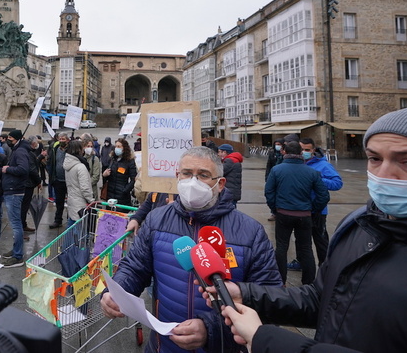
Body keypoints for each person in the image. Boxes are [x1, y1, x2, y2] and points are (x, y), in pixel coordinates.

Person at [206, 106, 407, 352]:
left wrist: (265, 340)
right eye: (374, 158)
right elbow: (325, 299)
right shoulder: (359, 225)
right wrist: (246, 294)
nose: (384, 174)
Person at [101, 146, 282, 353]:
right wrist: (116, 292)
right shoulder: (156, 219)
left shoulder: (251, 233)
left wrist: (210, 330)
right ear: (178, 176)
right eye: (187, 174)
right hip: (164, 346)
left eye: (203, 175)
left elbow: (269, 301)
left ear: (220, 184)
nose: (192, 182)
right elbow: (135, 266)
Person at [264, 140, 329, 285]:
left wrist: (275, 208)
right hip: (304, 215)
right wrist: (313, 209)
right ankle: (308, 282)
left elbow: (269, 192)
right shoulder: (312, 172)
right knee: (306, 248)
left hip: (283, 213)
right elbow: (324, 195)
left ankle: (281, 280)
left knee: (281, 247)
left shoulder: (277, 170)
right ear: (301, 153)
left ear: (284, 152)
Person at [288, 137, 343, 271]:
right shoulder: (295, 163)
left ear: (313, 150)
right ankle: (300, 261)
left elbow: (337, 183)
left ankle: (325, 266)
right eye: (301, 149)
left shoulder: (323, 165)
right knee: (300, 239)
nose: (304, 152)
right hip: (300, 208)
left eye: (307, 150)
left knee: (320, 240)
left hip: (317, 210)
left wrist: (317, 179)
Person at [0, 129, 31, 268]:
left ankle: (18, 256)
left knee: (16, 224)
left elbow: (24, 169)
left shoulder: (20, 152)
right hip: (12, 190)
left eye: (10, 139)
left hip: (14, 191)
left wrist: (8, 169)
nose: (8, 141)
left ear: (17, 139)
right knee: (16, 224)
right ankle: (16, 250)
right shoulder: (18, 150)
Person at [64, 140, 94, 228]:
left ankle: (67, 242)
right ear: (79, 150)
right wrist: (91, 200)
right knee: (80, 229)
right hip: (80, 203)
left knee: (71, 225)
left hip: (72, 199)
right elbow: (85, 188)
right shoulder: (80, 167)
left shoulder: (67, 164)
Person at [101, 138, 137, 207]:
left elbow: (134, 179)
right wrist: (105, 175)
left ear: (124, 148)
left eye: (119, 146)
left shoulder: (129, 161)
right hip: (110, 195)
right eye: (116, 146)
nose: (116, 148)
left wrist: (125, 190)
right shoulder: (112, 159)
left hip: (122, 197)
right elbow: (108, 176)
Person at [47, 132, 70, 229]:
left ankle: (70, 220)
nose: (61, 141)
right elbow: (50, 162)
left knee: (71, 202)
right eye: (60, 139)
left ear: (67, 140)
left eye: (63, 139)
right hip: (58, 180)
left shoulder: (70, 150)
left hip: (69, 181)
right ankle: (58, 220)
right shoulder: (55, 149)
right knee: (59, 202)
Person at [264, 138, 285, 221]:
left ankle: (280, 212)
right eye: (276, 144)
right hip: (273, 175)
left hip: (282, 176)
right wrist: (267, 177)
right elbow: (269, 165)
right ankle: (274, 213)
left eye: (279, 144)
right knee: (272, 194)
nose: (277, 146)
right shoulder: (272, 153)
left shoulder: (284, 153)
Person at [81, 133, 101, 199]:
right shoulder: (81, 158)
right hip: (81, 190)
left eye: (91, 146)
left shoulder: (94, 159)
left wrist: (86, 185)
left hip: (91, 190)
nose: (89, 148)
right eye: (87, 146)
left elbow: (96, 176)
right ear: (83, 147)